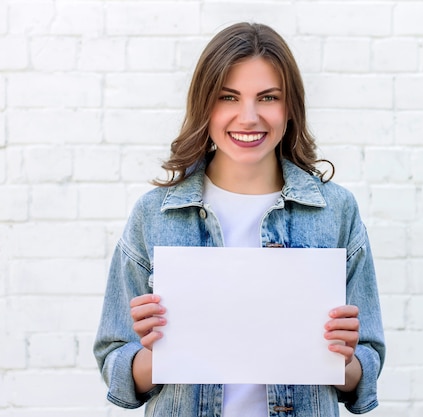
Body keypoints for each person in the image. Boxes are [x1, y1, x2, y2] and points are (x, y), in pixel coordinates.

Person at [93, 22, 385, 417]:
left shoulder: (335, 211)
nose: (248, 117)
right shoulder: (154, 213)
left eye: (267, 97)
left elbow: (364, 367)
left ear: (290, 108)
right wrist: (153, 353)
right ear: (205, 106)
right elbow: (116, 364)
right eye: (228, 97)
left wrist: (343, 359)